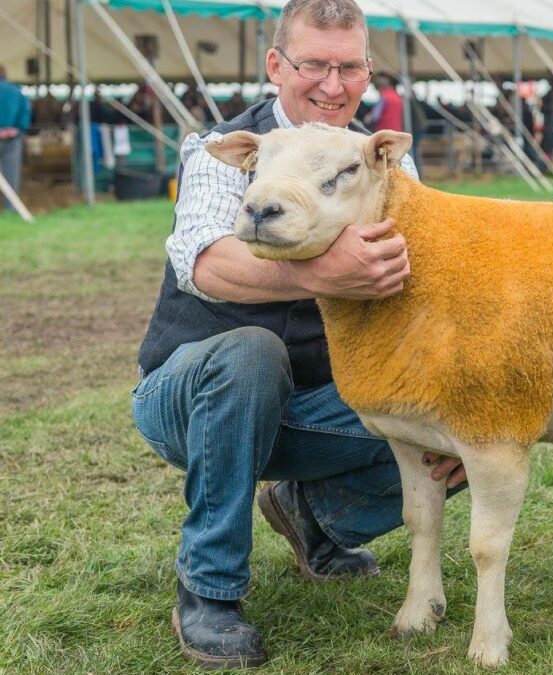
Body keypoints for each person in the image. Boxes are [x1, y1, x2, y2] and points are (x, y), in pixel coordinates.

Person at [131, 0, 464, 668]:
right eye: (314, 64)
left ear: (369, 70)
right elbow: (204, 262)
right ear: (276, 65)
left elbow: (430, 294)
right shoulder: (222, 151)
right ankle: (209, 590)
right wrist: (326, 273)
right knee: (253, 353)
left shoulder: (388, 167)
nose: (332, 86)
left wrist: (459, 413)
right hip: (193, 398)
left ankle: (314, 515)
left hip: (319, 406)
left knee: (469, 417)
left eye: (348, 67)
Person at [0, 65, 31, 212]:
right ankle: (10, 209)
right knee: (11, 175)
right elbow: (26, 112)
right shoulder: (16, 91)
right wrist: (18, 129)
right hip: (12, 137)